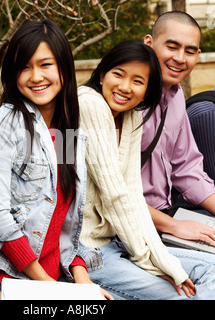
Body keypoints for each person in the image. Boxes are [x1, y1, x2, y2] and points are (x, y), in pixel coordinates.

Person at [0, 19, 112, 300]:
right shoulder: (7, 123)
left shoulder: (64, 132)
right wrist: (52, 289)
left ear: (64, 66)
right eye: (24, 67)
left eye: (45, 65)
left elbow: (62, 221)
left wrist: (81, 276)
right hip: (11, 278)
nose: (35, 76)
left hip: (56, 277)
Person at [78, 39, 215, 300]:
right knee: (181, 294)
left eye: (138, 82)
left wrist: (157, 258)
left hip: (119, 240)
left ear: (147, 90)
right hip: (88, 250)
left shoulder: (130, 116)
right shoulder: (89, 103)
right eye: (118, 74)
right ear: (102, 73)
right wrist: (155, 262)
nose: (125, 87)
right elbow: (115, 195)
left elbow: (131, 191)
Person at [142, 11, 215, 246]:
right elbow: (112, 195)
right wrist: (174, 226)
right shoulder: (124, 100)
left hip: (166, 215)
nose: (180, 58)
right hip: (133, 226)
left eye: (190, 51)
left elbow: (186, 168)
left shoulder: (175, 96)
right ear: (149, 44)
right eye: (172, 47)